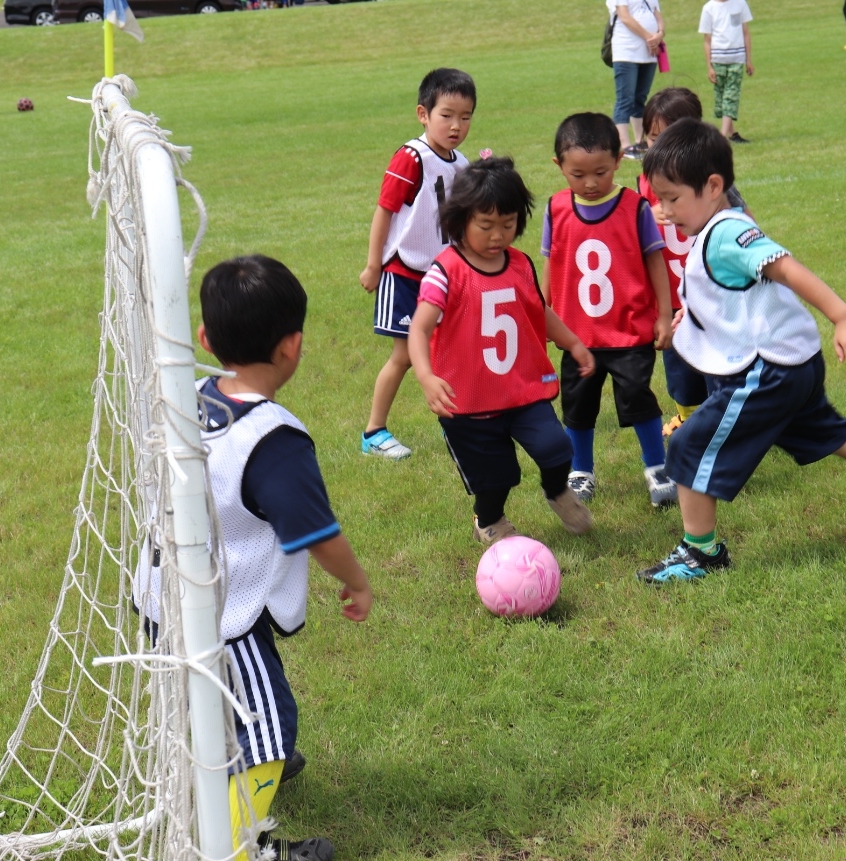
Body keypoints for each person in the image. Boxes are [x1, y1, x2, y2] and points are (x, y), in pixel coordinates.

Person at [636, 119, 846, 584]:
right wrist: (689, 318)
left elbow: (789, 270)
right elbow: (729, 294)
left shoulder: (729, 233)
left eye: (672, 198)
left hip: (765, 370)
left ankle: (702, 553)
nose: (664, 209)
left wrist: (843, 317)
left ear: (713, 186)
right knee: (824, 430)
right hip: (792, 364)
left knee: (691, 444)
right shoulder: (715, 225)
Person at [188, 255, 372, 860]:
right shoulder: (271, 439)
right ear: (293, 346)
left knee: (210, 699)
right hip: (227, 615)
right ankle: (243, 849)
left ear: (205, 339)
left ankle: (240, 763)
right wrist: (356, 582)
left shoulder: (187, 397)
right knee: (271, 727)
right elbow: (314, 532)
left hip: (165, 595)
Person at [407, 157, 595, 544]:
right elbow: (420, 327)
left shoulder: (521, 264)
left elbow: (539, 312)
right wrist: (426, 376)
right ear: (461, 220)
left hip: (522, 390)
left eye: (507, 225)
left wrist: (573, 341)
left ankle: (558, 491)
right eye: (486, 226)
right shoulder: (446, 272)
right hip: (470, 401)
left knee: (557, 448)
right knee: (497, 476)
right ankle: (489, 519)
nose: (497, 235)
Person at [541, 112, 677, 509]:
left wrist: (664, 315)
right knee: (577, 406)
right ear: (559, 167)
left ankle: (657, 466)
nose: (590, 183)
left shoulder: (635, 208)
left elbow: (657, 262)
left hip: (629, 330)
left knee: (638, 396)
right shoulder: (555, 209)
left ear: (619, 161)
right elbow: (550, 261)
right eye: (577, 174)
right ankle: (580, 470)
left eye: (600, 172)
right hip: (576, 334)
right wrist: (541, 314)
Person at [357, 68, 476, 460]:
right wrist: (374, 265)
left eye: (466, 116)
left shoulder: (461, 162)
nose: (456, 125)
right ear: (423, 114)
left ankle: (462, 425)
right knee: (406, 355)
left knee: (452, 351)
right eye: (447, 115)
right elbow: (384, 212)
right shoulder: (411, 157)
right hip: (404, 272)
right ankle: (374, 432)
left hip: (442, 276)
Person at [637, 88, 751, 439]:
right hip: (671, 297)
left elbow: (744, 224)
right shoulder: (645, 181)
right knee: (680, 371)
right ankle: (691, 418)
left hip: (710, 296)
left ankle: (731, 423)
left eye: (668, 138)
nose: (659, 148)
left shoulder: (709, 182)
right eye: (653, 138)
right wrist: (644, 216)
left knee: (719, 367)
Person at [606, 0, 664, 158]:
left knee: (640, 98)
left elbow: (658, 16)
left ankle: (640, 140)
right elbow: (625, 17)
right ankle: (624, 144)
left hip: (649, 54)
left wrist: (660, 34)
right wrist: (649, 38)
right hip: (627, 53)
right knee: (625, 98)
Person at [698, 0, 754, 143]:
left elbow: (745, 32)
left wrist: (748, 59)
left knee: (731, 95)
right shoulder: (709, 8)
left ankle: (721, 136)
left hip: (737, 58)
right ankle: (733, 134)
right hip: (718, 59)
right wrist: (709, 66)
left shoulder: (740, 4)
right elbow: (707, 40)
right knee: (721, 97)